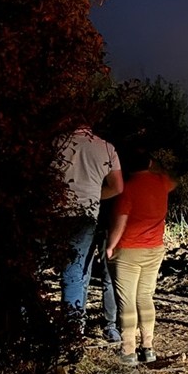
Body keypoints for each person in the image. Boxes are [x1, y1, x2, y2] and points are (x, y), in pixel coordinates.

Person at [105, 152, 176, 366]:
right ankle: (148, 347)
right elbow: (173, 179)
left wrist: (110, 246)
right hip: (154, 248)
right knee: (145, 297)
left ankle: (128, 350)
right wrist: (158, 167)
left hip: (128, 250)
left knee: (127, 301)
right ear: (149, 162)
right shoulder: (161, 182)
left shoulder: (127, 188)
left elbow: (121, 221)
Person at [57, 125, 124, 336]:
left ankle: (29, 330)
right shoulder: (106, 148)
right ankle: (75, 332)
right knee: (78, 275)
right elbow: (118, 187)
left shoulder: (55, 143)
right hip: (87, 218)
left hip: (54, 214)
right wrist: (94, 196)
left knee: (40, 272)